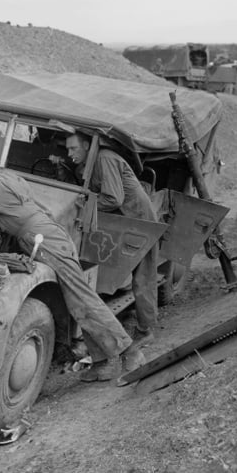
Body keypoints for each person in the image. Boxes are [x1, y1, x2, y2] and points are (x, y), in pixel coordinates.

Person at [0, 152, 145, 382]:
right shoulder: (10, 178)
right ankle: (102, 362)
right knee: (75, 302)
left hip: (43, 241)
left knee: (83, 299)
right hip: (49, 235)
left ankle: (130, 352)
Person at [65, 133, 159, 348]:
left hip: (139, 222)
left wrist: (84, 205)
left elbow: (113, 198)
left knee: (143, 277)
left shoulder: (105, 158)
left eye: (73, 149)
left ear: (87, 146)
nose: (69, 153)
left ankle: (147, 330)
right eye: (68, 149)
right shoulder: (91, 162)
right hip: (124, 219)